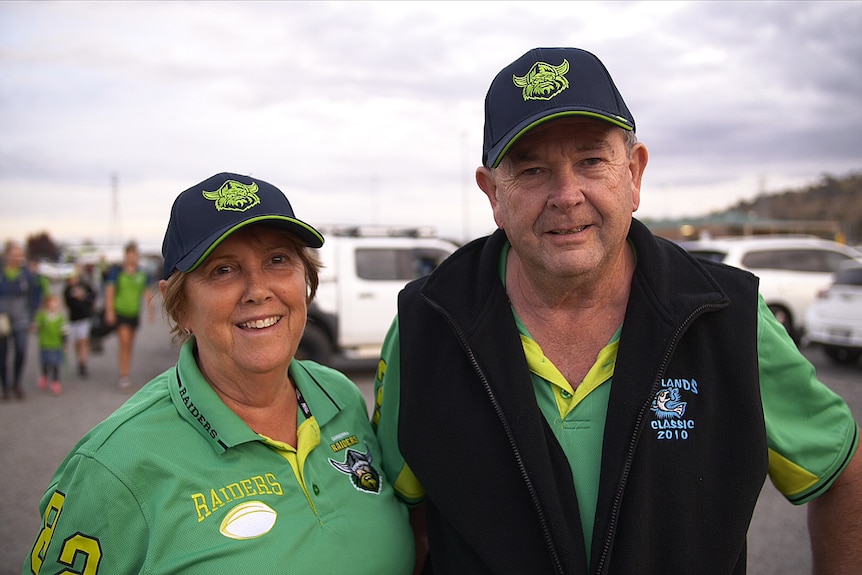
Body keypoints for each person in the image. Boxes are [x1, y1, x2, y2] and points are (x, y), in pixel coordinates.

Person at [372, 47, 862, 574]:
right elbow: (408, 523)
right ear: (492, 193)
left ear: (634, 172)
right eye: (532, 169)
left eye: (590, 160)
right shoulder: (427, 325)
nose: (566, 194)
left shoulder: (728, 318)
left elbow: (843, 473)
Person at [23, 173, 415, 574]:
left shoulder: (338, 395)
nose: (257, 290)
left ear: (306, 280)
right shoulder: (112, 466)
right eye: (223, 270)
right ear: (180, 307)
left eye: (278, 260)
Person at [103, 240, 155, 389]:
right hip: (121, 311)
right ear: (126, 255)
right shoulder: (117, 271)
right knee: (124, 343)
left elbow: (147, 292)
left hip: (134, 312)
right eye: (131, 255)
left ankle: (126, 372)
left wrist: (151, 309)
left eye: (135, 255)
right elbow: (110, 291)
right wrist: (109, 311)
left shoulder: (141, 273)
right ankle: (124, 376)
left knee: (130, 345)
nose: (133, 257)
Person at [0, 241, 42, 400]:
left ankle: (17, 382)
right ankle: (5, 386)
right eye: (14, 254)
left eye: (20, 255)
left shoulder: (26, 275)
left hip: (21, 317)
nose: (17, 258)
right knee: (3, 353)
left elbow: (33, 297)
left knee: (21, 349)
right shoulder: (2, 272)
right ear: (6, 255)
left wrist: (32, 318)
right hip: (2, 318)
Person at [63, 267, 97, 377]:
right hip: (73, 319)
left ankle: (84, 362)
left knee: (83, 340)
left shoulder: (85, 286)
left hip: (84, 318)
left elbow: (92, 297)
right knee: (77, 342)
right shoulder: (67, 290)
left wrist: (83, 296)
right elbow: (68, 304)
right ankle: (80, 360)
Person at [34, 293, 67, 395]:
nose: (53, 306)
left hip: (56, 345)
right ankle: (44, 376)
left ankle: (55, 381)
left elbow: (64, 332)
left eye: (55, 304)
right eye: (51, 304)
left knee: (56, 364)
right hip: (45, 344)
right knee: (45, 363)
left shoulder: (60, 318)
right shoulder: (42, 316)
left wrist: (64, 344)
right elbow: (36, 327)